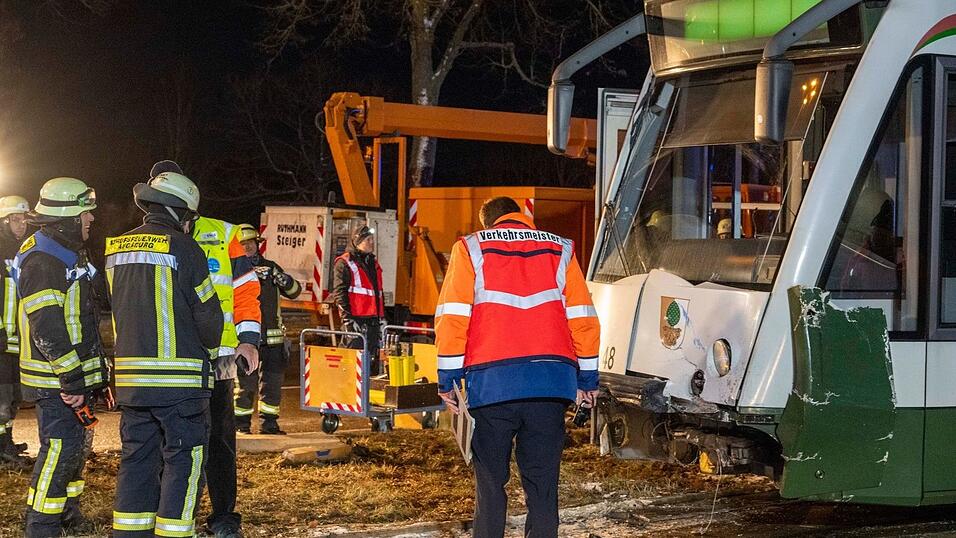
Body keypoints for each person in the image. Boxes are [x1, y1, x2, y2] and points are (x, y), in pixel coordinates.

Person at [435, 197, 600, 538]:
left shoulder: (471, 248)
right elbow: (583, 319)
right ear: (523, 217)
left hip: (492, 385)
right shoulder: (562, 249)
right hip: (549, 386)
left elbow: (453, 317)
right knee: (542, 486)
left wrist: (447, 378)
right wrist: (587, 378)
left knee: (491, 483)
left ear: (488, 224)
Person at [108, 172, 224, 537]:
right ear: (180, 213)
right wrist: (212, 350)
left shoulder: (116, 248)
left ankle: (129, 533)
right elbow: (208, 317)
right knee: (184, 462)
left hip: (131, 381)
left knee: (137, 461)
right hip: (181, 383)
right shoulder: (186, 248)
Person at [150, 160, 260, 538]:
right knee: (173, 441)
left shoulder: (225, 233)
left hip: (221, 357)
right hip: (175, 356)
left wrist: (249, 339)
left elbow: (246, 290)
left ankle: (224, 516)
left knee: (220, 439)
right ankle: (175, 515)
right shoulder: (152, 237)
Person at [12, 178, 109, 537]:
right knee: (59, 451)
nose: (91, 219)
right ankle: (41, 527)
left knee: (74, 451)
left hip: (70, 376)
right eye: (86, 212)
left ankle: (67, 513)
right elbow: (47, 326)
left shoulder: (65, 250)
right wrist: (71, 378)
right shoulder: (43, 258)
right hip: (57, 381)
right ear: (67, 216)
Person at [233, 223, 301, 435]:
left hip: (273, 340)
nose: (248, 247)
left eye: (251, 243)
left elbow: (294, 291)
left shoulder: (271, 267)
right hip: (246, 339)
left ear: (257, 244)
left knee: (272, 385)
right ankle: (241, 425)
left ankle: (269, 424)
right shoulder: (232, 269)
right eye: (243, 244)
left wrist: (285, 280)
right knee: (245, 385)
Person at [0, 195, 31, 465]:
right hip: (2, 338)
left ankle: (6, 440)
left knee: (12, 396)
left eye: (24, 219)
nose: (21, 224)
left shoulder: (23, 251)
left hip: (18, 339)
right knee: (2, 396)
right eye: (16, 219)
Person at [332, 225, 386, 374]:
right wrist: (347, 320)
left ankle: (365, 395)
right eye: (368, 240)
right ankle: (346, 394)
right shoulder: (345, 263)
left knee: (370, 362)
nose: (372, 243)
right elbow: (340, 293)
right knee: (351, 363)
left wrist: (382, 318)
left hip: (373, 321)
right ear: (358, 242)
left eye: (372, 239)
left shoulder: (373, 263)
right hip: (356, 321)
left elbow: (378, 294)